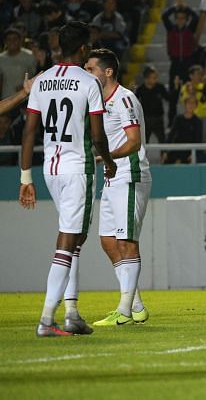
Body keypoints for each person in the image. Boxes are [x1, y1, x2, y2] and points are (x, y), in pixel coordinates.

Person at [19, 22, 116, 337]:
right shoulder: (88, 82)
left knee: (74, 240)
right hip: (77, 167)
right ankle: (47, 320)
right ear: (84, 48)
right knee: (68, 241)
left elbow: (29, 131)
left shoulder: (42, 81)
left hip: (51, 168)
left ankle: (72, 312)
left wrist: (24, 177)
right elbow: (98, 135)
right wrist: (110, 162)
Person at [83, 49, 151, 325]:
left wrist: (109, 158)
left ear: (107, 71)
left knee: (126, 241)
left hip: (130, 173)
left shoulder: (124, 98)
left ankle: (123, 311)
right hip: (113, 175)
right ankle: (135, 305)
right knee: (108, 242)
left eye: (90, 69)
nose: (86, 73)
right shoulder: (99, 100)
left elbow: (134, 140)